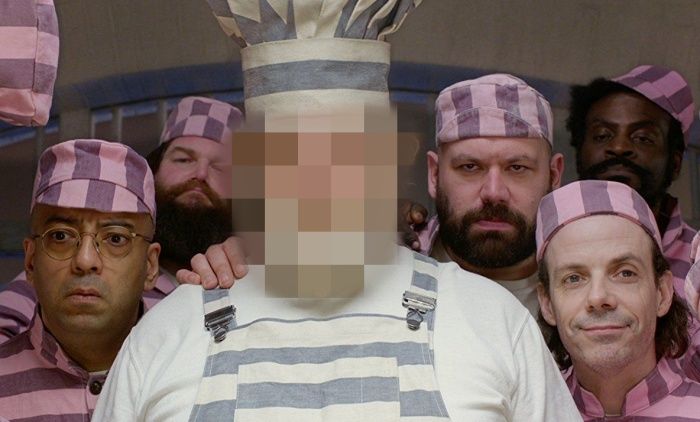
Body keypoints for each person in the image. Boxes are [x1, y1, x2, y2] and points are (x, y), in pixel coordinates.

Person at [0, 96, 247, 344]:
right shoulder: (61, 271)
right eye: (183, 159)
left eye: (221, 168)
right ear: (152, 175)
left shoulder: (246, 277)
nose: (200, 174)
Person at [0, 139, 161, 419]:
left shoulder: (193, 375)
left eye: (116, 238)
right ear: (31, 260)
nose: (85, 260)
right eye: (60, 236)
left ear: (150, 266)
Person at [536, 179, 700, 419]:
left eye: (625, 273)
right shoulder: (528, 412)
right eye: (574, 278)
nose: (598, 297)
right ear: (547, 303)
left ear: (662, 293)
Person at [412, 73, 564, 317]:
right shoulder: (387, 270)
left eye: (517, 168)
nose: (494, 193)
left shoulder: (587, 291)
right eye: (470, 167)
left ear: (554, 176)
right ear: (434, 174)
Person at [567, 65, 696, 298]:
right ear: (579, 152)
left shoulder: (696, 264)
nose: (619, 147)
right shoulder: (544, 250)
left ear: (675, 163)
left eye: (642, 138)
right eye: (602, 135)